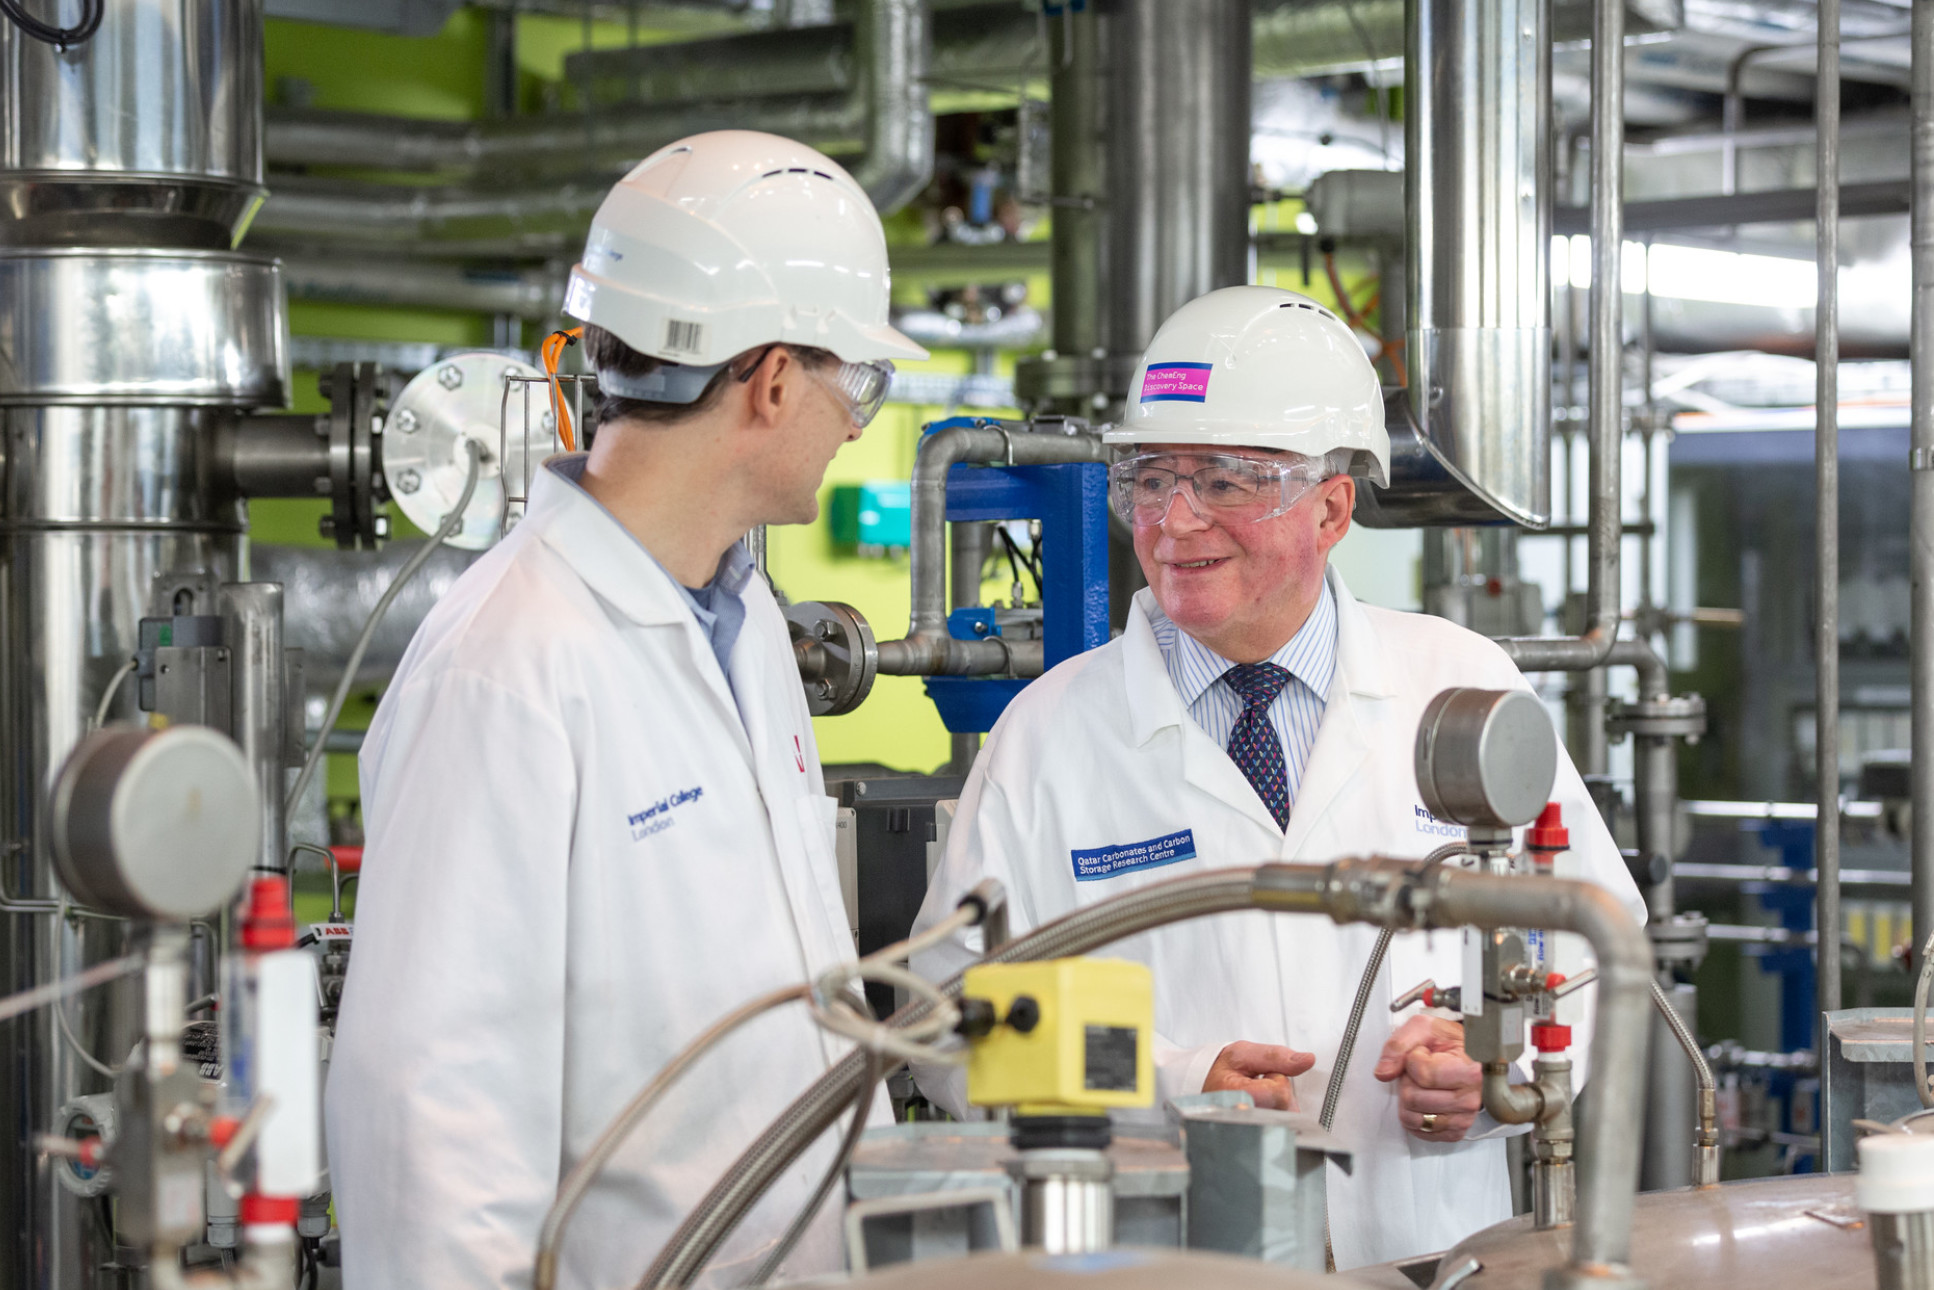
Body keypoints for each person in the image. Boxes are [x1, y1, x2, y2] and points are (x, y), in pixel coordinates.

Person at [908, 285, 1644, 1270]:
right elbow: (945, 1021)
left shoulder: (1456, 685)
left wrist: (1499, 1071)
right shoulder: (1047, 736)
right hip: (1166, 1264)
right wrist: (1168, 1085)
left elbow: (1599, 945)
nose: (1172, 521)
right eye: (1149, 478)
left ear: (1330, 506)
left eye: (1224, 481)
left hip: (1434, 1255)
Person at [326, 131, 928, 1290]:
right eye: (855, 382)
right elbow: (427, 1126)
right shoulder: (507, 667)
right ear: (769, 383)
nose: (855, 421)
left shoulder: (743, 620)